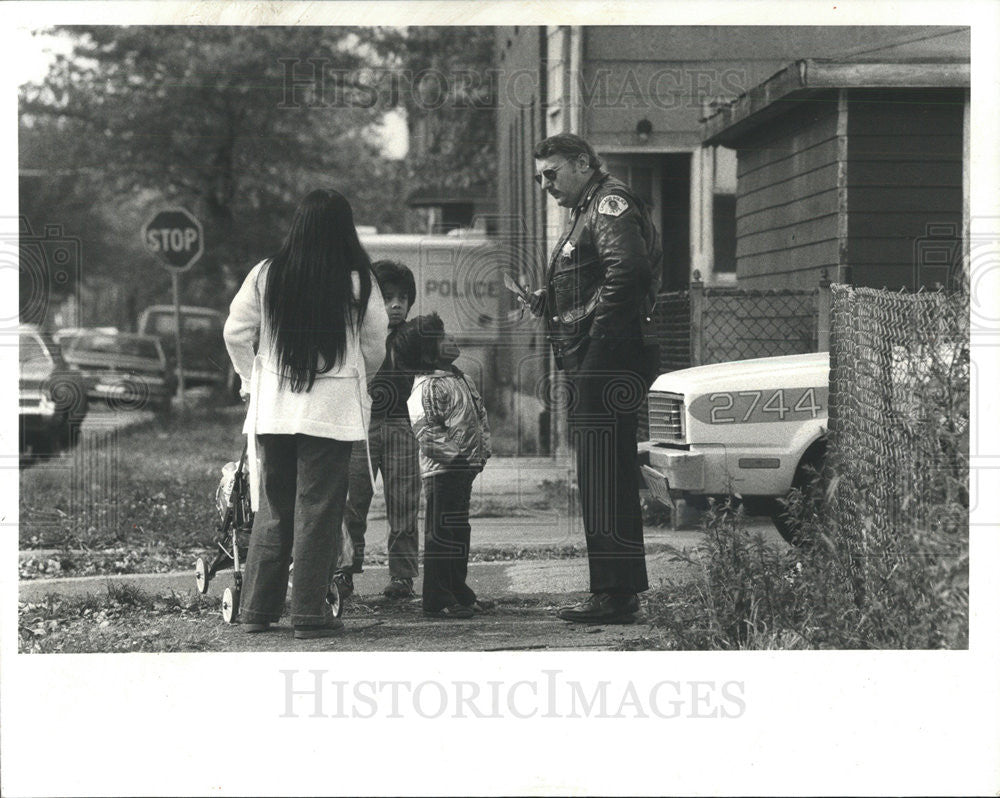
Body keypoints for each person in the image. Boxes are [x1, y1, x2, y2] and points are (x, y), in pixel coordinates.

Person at [224, 188, 388, 639]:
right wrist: (359, 378)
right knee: (318, 509)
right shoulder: (358, 280)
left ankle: (257, 611)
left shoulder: (267, 274)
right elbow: (375, 345)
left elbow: (235, 332)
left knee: (273, 507)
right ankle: (309, 614)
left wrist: (251, 380)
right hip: (331, 413)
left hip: (274, 409)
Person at [528, 133, 662, 624]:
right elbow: (598, 277)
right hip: (602, 355)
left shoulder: (607, 204)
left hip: (607, 358)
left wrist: (598, 352)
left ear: (582, 163)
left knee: (603, 477)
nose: (545, 185)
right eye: (540, 177)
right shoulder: (586, 209)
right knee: (602, 476)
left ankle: (615, 595)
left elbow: (627, 273)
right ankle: (615, 590)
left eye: (552, 173)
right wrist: (554, 297)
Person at [333, 260, 421, 600]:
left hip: (403, 426)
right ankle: (344, 571)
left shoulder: (416, 336)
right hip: (361, 427)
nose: (395, 304)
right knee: (352, 504)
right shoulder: (357, 335)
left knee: (403, 504)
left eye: (402, 297)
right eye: (387, 297)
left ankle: (402, 577)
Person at [396, 313, 492, 619]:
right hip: (442, 471)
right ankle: (437, 598)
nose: (451, 338)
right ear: (427, 352)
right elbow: (426, 432)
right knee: (442, 535)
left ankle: (458, 590)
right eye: (442, 337)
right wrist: (455, 458)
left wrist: (481, 452)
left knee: (458, 532)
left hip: (463, 469)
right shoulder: (426, 388)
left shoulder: (461, 378)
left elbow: (479, 416)